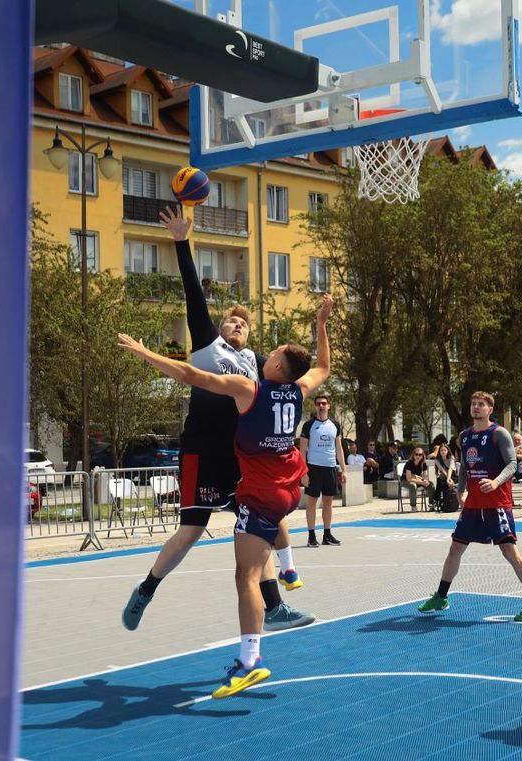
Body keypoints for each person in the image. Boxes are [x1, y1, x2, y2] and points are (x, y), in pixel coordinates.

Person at [117, 293, 333, 699]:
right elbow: (323, 365)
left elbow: (190, 377)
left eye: (271, 352)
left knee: (244, 575)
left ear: (274, 366)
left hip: (260, 489)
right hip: (289, 486)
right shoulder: (299, 390)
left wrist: (145, 352)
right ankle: (286, 580)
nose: (264, 352)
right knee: (258, 546)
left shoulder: (249, 390)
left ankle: (251, 660)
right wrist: (321, 322)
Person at [121, 206, 311, 635]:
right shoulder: (210, 348)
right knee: (191, 530)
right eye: (231, 320)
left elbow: (294, 373)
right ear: (220, 327)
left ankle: (277, 602)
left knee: (261, 522)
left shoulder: (258, 364)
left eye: (244, 322)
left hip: (239, 457)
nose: (237, 324)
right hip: (202, 452)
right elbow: (194, 296)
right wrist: (181, 242)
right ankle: (147, 589)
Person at [417, 392, 522, 622]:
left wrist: (496, 481)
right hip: (473, 505)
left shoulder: (499, 434)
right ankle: (441, 596)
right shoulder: (465, 436)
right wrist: (460, 490)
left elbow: (511, 464)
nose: (476, 407)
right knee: (455, 548)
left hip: (496, 503)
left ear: (490, 409)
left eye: (481, 405)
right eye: (473, 404)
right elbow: (466, 466)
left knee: (509, 551)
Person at [299, 394, 345, 547]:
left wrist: (343, 470)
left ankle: (327, 534)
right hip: (313, 467)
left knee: (328, 502)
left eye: (324, 403)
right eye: (318, 403)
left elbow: (339, 448)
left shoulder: (335, 425)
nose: (321, 406)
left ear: (328, 406)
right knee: (312, 502)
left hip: (330, 467)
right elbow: (302, 450)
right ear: (315, 406)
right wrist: (303, 472)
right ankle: (311, 536)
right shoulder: (308, 425)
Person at [431, 443, 458, 511]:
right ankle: (438, 501)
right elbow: (442, 470)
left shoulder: (451, 458)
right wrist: (448, 480)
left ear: (447, 451)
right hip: (444, 476)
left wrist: (449, 479)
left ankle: (441, 501)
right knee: (440, 481)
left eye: (444, 450)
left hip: (452, 476)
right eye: (441, 450)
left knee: (444, 484)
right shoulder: (437, 460)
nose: (443, 452)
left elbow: (451, 469)